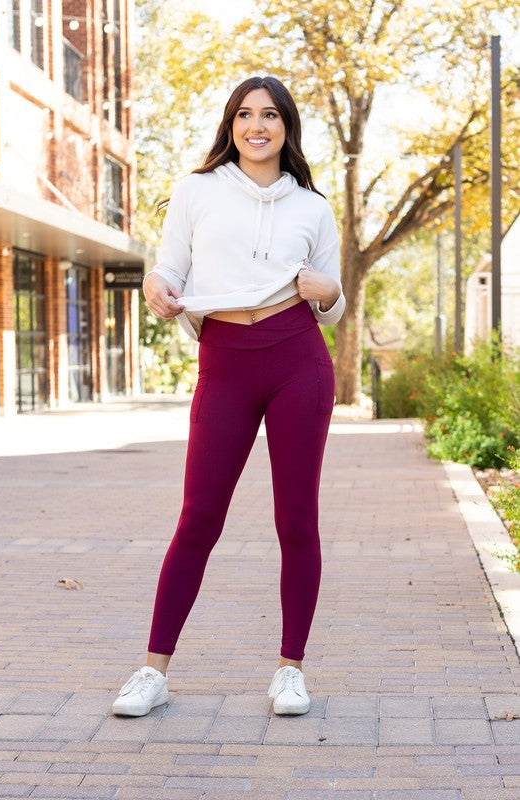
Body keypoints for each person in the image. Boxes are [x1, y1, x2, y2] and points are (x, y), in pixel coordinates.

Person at [112, 75, 346, 718]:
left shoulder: (312, 206)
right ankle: (153, 670)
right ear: (231, 125)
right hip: (225, 360)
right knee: (198, 519)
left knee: (296, 519)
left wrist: (326, 287)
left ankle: (290, 670)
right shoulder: (196, 191)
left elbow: (334, 302)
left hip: (299, 359)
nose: (257, 126)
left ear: (286, 128)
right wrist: (157, 287)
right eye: (245, 115)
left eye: (270, 115)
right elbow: (169, 268)